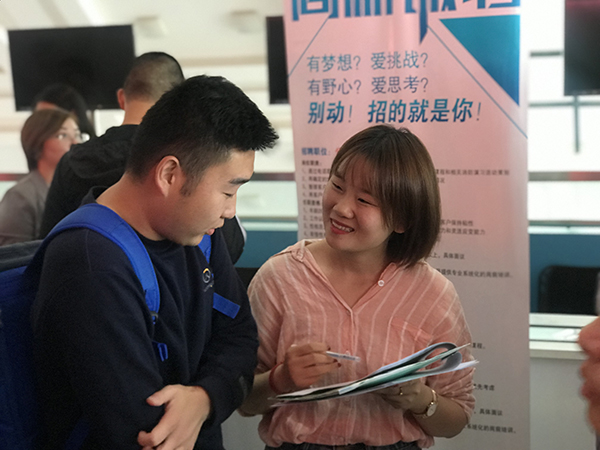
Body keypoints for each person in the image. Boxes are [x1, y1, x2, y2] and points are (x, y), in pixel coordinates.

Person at [32, 74, 278, 450]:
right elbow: (144, 433)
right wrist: (217, 389)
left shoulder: (199, 237)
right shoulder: (91, 265)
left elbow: (241, 338)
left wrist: (204, 398)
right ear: (169, 175)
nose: (230, 211)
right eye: (228, 191)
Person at [239, 125, 475, 449]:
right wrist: (281, 379)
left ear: (402, 220)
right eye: (337, 185)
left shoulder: (432, 294)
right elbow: (244, 402)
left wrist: (420, 399)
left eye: (364, 200)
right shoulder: (279, 278)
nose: (341, 207)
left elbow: (457, 417)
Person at [38, 52, 246, 263]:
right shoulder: (185, 159)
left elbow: (47, 241)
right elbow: (231, 246)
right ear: (180, 105)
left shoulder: (72, 162)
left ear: (121, 98)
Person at [0, 109, 80, 245]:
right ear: (37, 141)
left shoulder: (77, 187)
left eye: (78, 135)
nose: (75, 142)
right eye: (62, 135)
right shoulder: (20, 196)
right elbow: (13, 254)